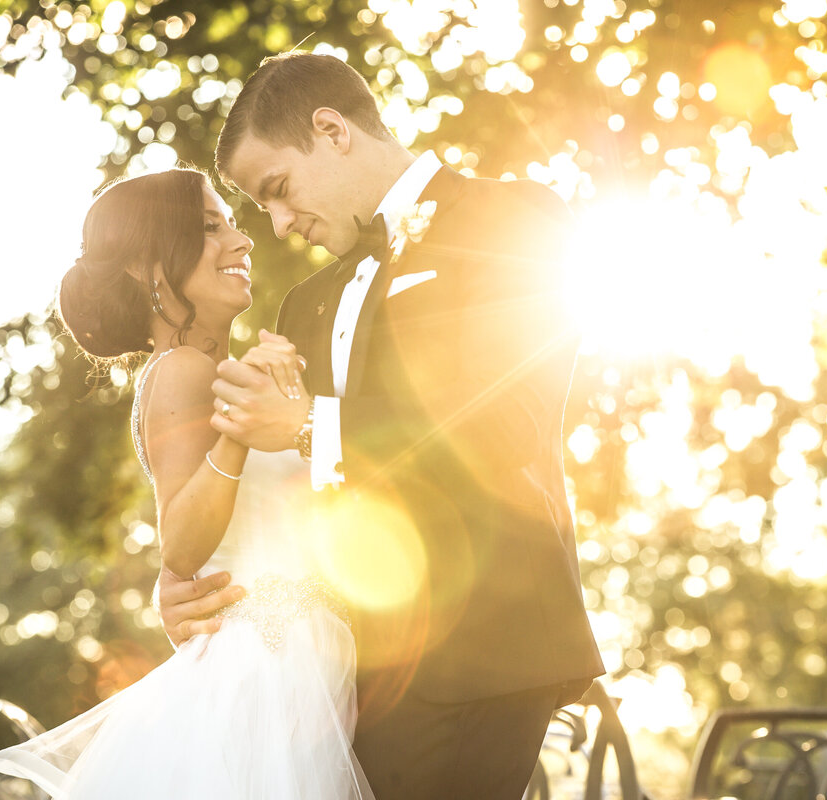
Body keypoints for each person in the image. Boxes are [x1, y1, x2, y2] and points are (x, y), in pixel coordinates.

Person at [156, 52, 605, 798]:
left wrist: (307, 427)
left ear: (332, 131)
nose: (278, 222)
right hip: (342, 671)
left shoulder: (513, 215)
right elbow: (291, 492)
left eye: (278, 189)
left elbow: (507, 426)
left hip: (483, 646)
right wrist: (195, 587)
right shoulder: (304, 304)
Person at [0, 168, 373, 800]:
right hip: (265, 671)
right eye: (209, 227)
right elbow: (181, 546)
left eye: (232, 223)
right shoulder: (180, 370)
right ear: (146, 267)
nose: (242, 240)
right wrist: (239, 426)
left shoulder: (223, 371)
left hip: (309, 658)